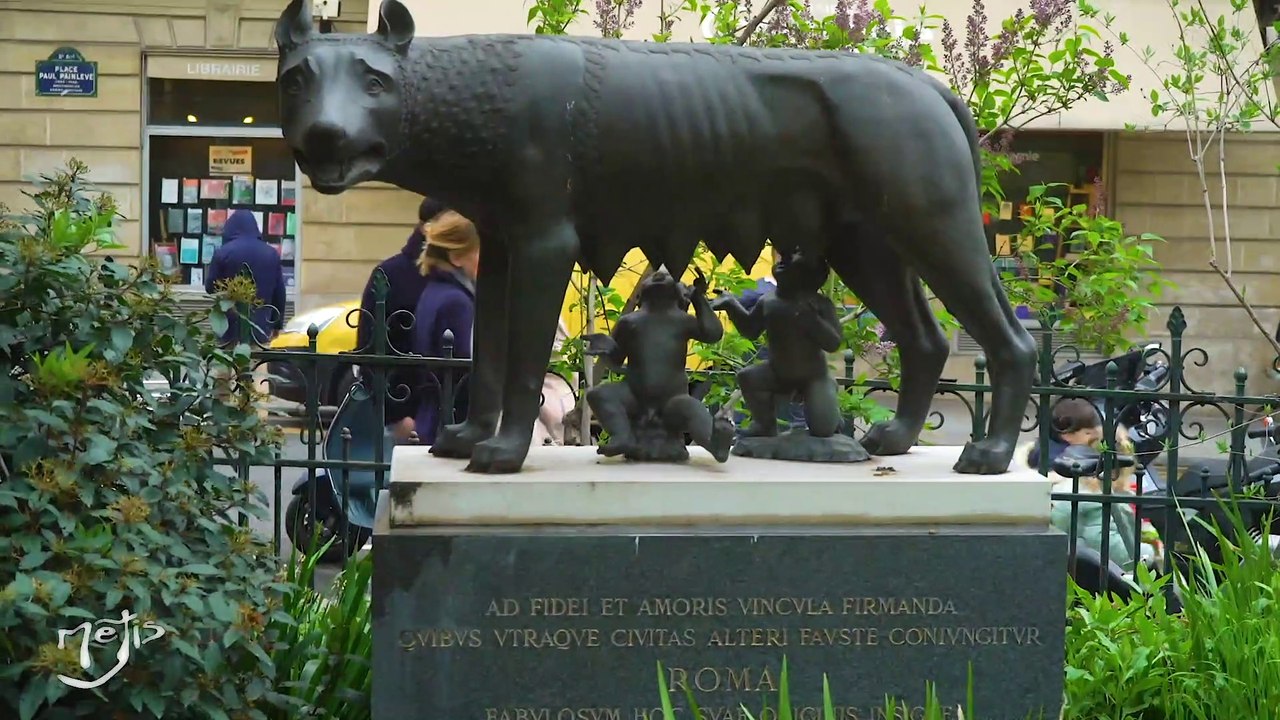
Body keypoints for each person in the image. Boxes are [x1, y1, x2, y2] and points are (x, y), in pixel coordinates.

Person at [354, 197, 448, 435]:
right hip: (411, 411)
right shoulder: (391, 275)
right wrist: (396, 417)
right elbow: (369, 350)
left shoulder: (462, 273)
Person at [409, 210, 480, 445]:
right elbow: (463, 373)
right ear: (457, 256)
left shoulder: (434, 291)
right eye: (479, 252)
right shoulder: (456, 302)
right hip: (451, 422)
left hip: (431, 417)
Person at [204, 209, 286, 347]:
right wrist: (277, 324)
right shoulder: (271, 253)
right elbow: (279, 293)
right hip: (260, 327)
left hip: (229, 327)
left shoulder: (223, 253)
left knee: (225, 364)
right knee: (258, 364)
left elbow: (210, 288)